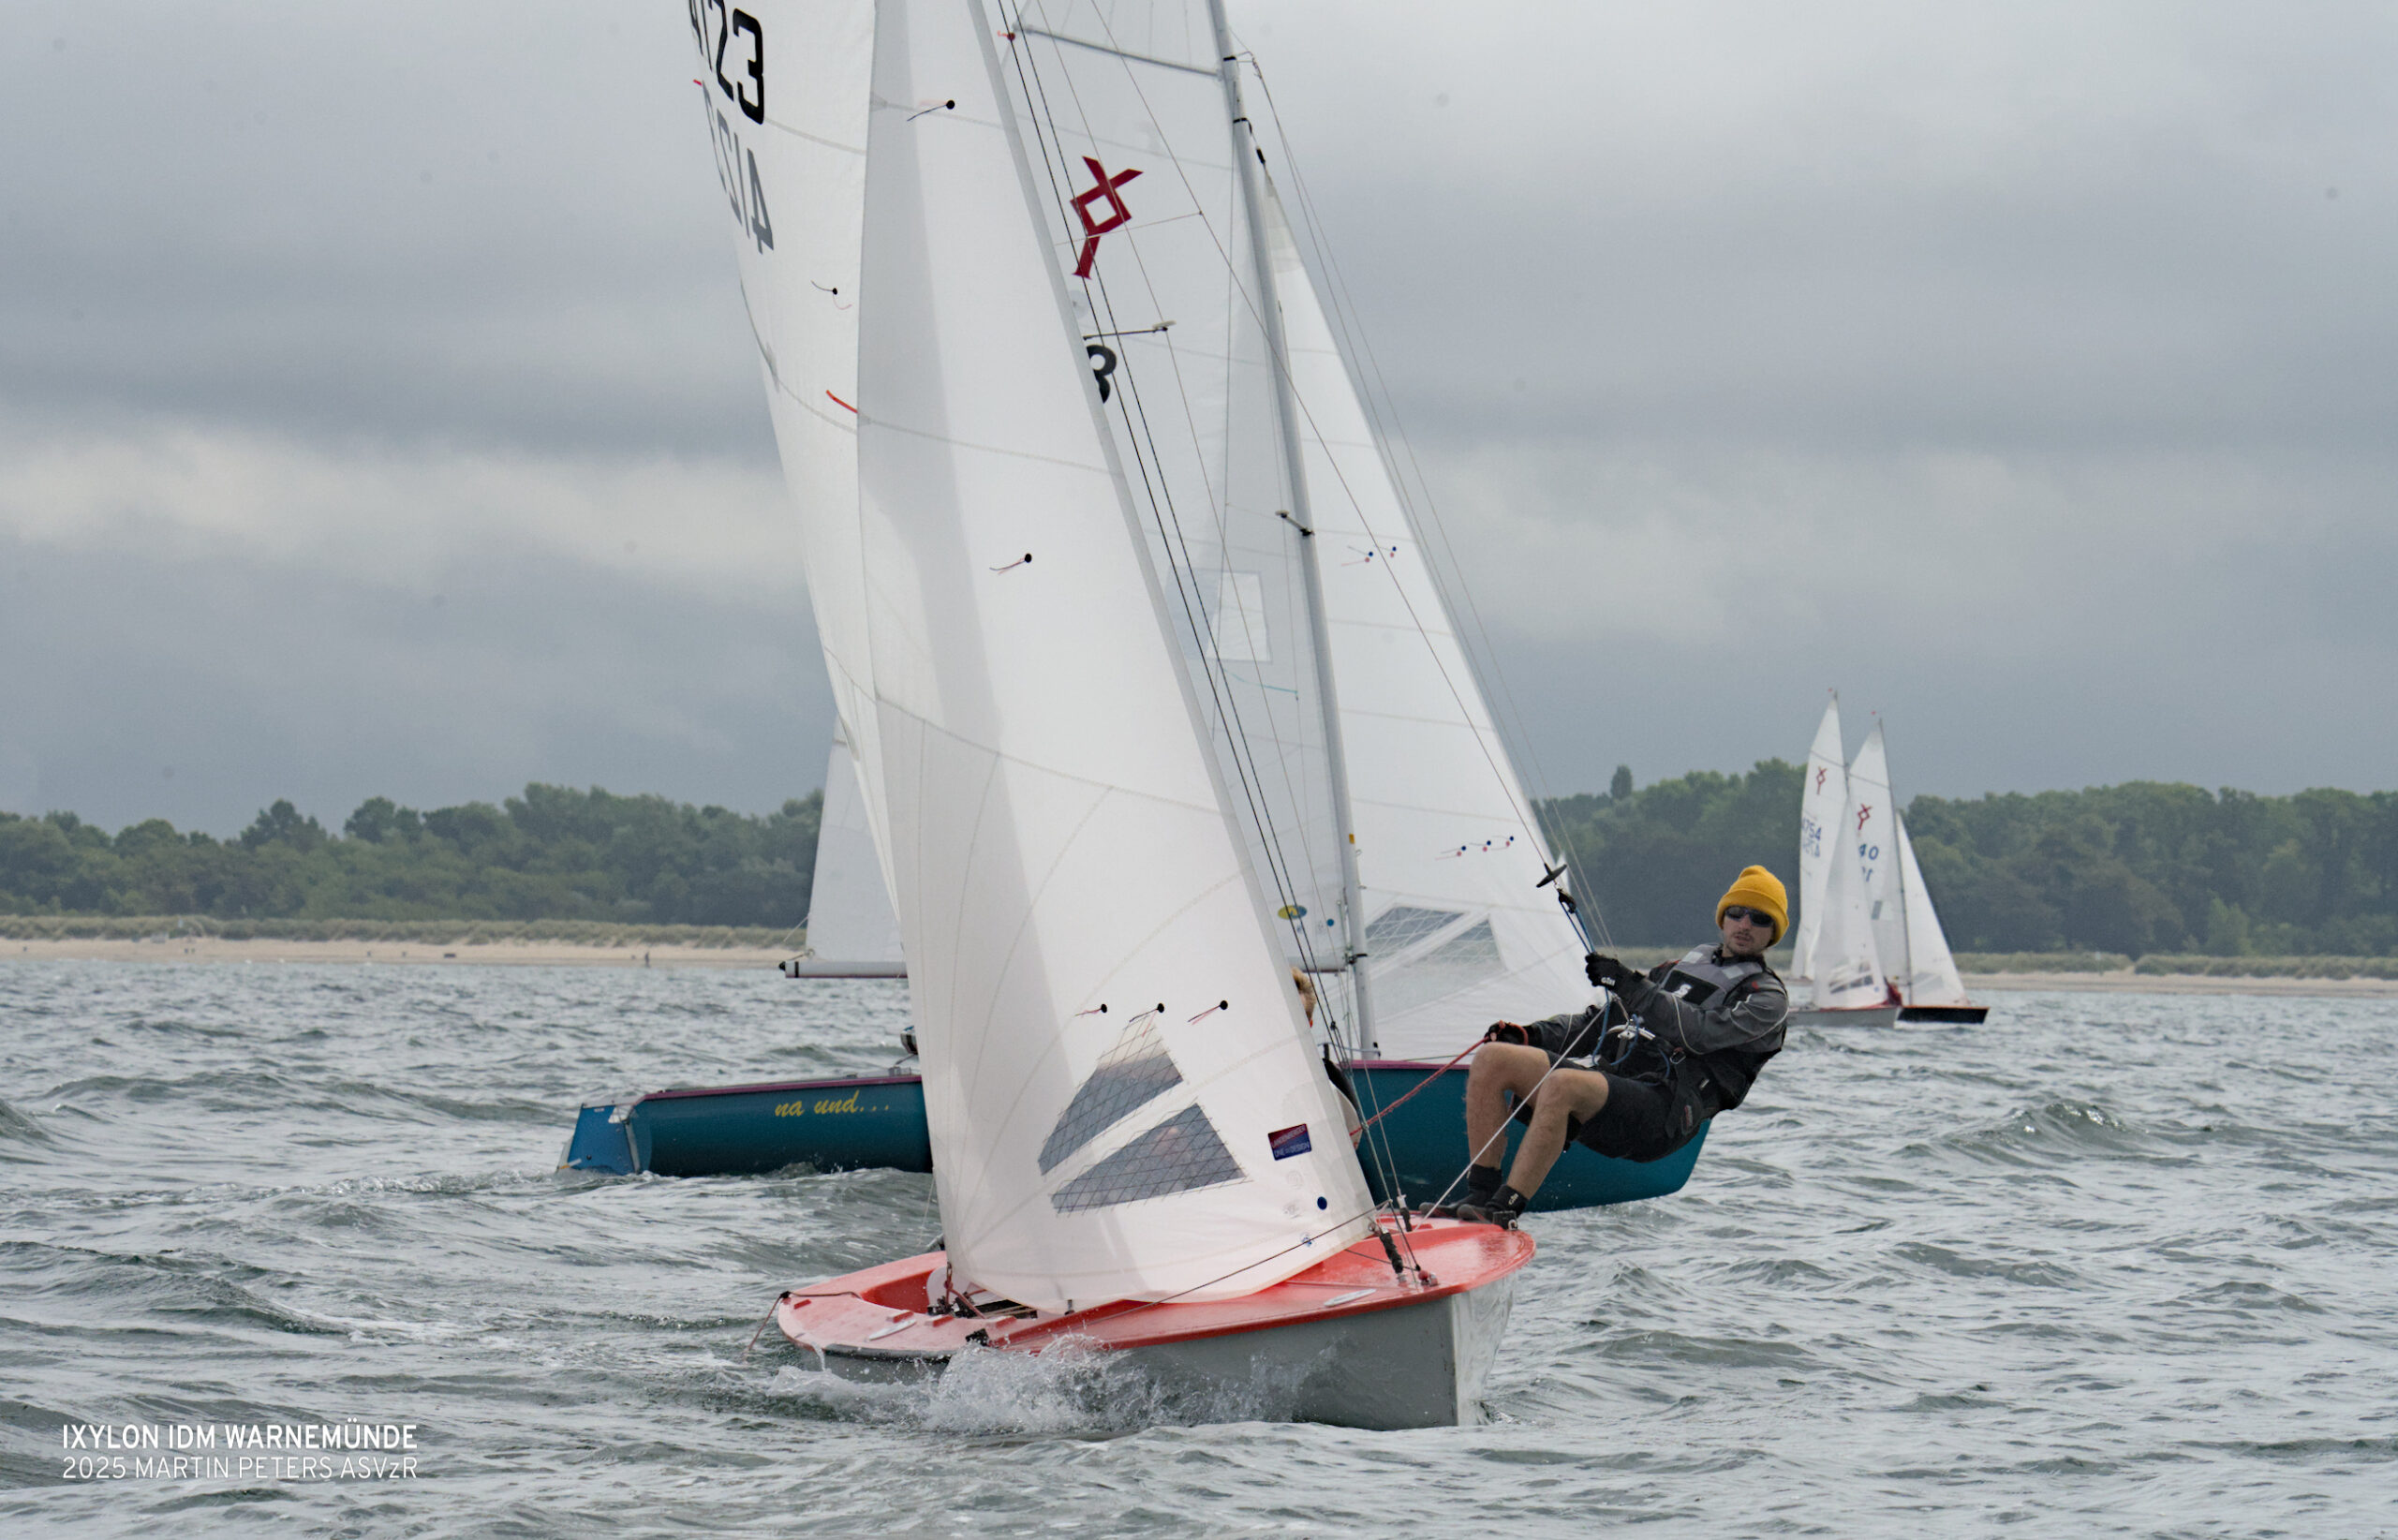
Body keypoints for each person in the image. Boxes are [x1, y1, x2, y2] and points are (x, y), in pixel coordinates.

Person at [1450, 866, 1793, 1227]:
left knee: (1563, 1084)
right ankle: (1480, 1194)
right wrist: (1531, 1035)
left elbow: (1699, 1033)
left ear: (1773, 932)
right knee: (1493, 1058)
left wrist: (1630, 984)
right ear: (1723, 919)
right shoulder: (1677, 968)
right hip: (1615, 1086)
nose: (1745, 924)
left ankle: (1503, 1210)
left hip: (1665, 1112)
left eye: (1759, 918)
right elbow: (1603, 1022)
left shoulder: (1768, 999)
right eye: (1737, 913)